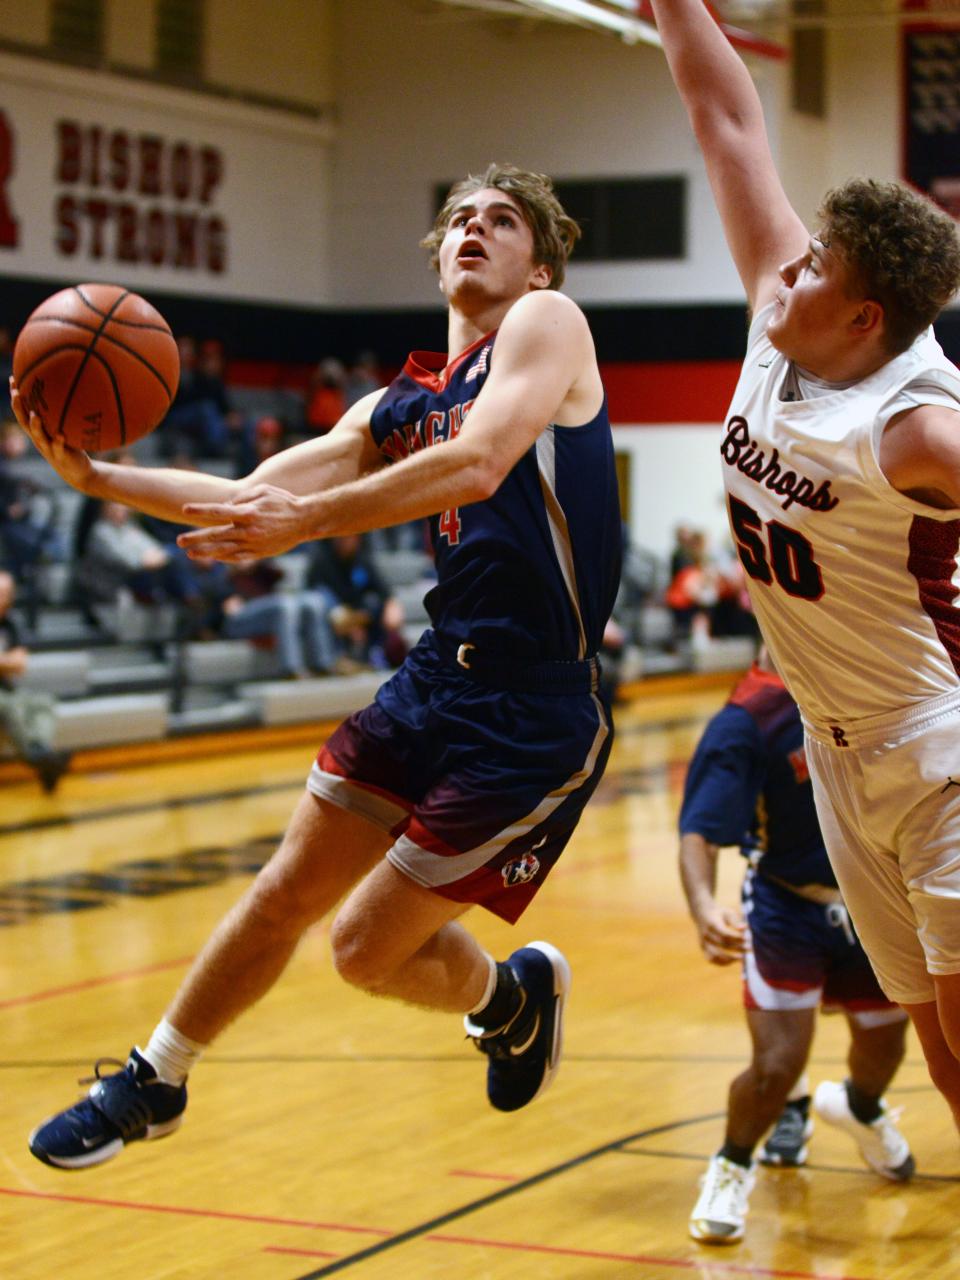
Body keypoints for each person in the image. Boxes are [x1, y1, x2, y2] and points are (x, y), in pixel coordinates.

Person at [12, 162, 621, 1169]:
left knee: (360, 950)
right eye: (460, 218)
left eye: (502, 220)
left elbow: (479, 460)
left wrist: (308, 519)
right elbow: (252, 493)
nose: (475, 227)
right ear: (437, 259)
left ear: (541, 262)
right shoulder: (399, 402)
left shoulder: (549, 325)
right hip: (436, 677)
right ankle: (153, 1076)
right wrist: (97, 474)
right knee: (285, 886)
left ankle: (509, 995)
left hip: (533, 706)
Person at [649, 0, 960, 1129]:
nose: (787, 274)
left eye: (815, 267)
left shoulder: (914, 425)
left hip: (939, 753)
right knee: (941, 1053)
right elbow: (725, 112)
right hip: (835, 762)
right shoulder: (783, 322)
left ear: (864, 315)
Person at [679, 650, 913, 1245]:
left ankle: (858, 1108)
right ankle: (731, 1166)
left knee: (886, 1044)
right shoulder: (748, 718)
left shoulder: (875, 675)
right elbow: (700, 831)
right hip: (786, 904)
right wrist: (705, 907)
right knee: (777, 1067)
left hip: (872, 895)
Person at [0, 569, 71, 792]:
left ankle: (41, 753)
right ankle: (40, 759)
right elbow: (12, 663)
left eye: (6, 594)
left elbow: (19, 665)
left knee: (43, 702)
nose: (2, 599)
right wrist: (7, 661)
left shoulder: (10, 625)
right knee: (12, 707)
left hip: (6, 688)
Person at [306, 532, 407, 670]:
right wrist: (347, 622)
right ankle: (337, 659)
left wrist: (392, 605)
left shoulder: (362, 560)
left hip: (360, 616)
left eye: (350, 537)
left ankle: (374, 654)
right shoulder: (321, 561)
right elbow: (312, 592)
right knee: (324, 604)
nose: (346, 541)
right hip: (334, 616)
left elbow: (383, 589)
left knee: (375, 603)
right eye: (342, 537)